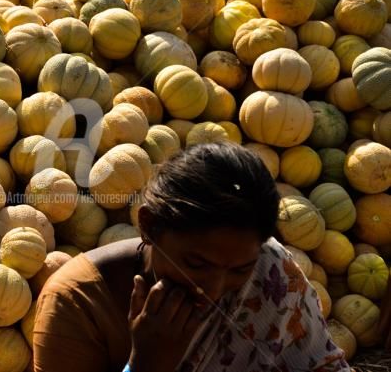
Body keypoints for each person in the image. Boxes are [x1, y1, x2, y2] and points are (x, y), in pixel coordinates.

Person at [33, 141, 350, 372]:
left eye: (240, 270)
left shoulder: (269, 269)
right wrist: (145, 363)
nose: (213, 289)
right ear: (149, 226)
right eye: (196, 264)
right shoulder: (77, 305)